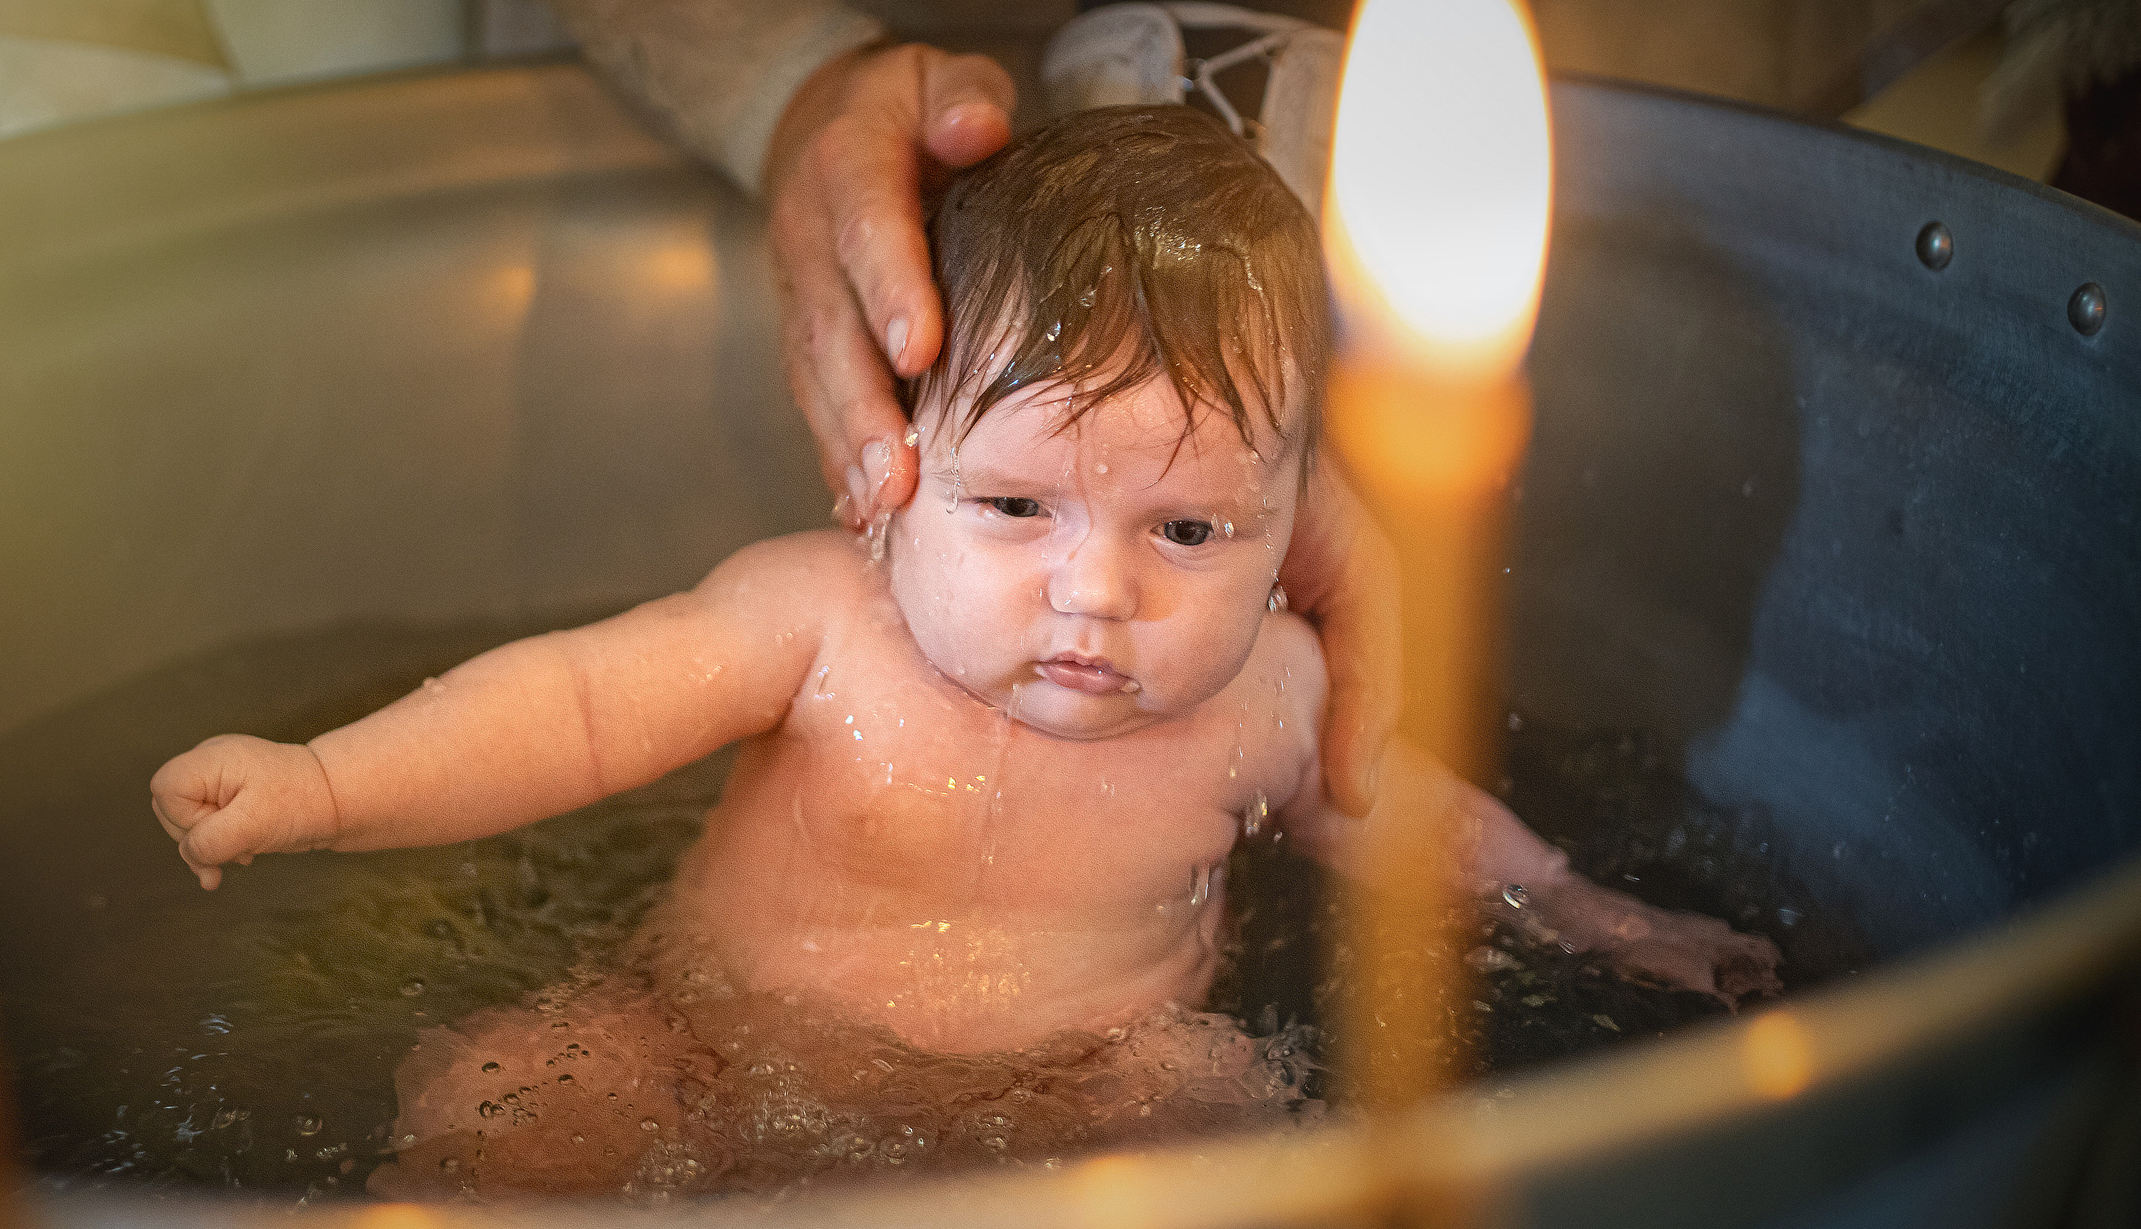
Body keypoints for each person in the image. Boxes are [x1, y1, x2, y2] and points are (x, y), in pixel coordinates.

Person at [149, 106, 1782, 1199]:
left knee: (1205, 1096)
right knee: (515, 1082)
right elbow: (572, 707)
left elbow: (1401, 818)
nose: (1097, 596)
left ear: (1303, 529)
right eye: (1013, 505)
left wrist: (1586, 908)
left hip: (1074, 1094)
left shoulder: (1270, 693)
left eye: (1192, 531)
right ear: (889, 468)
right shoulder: (814, 621)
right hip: (704, 1041)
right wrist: (321, 783)